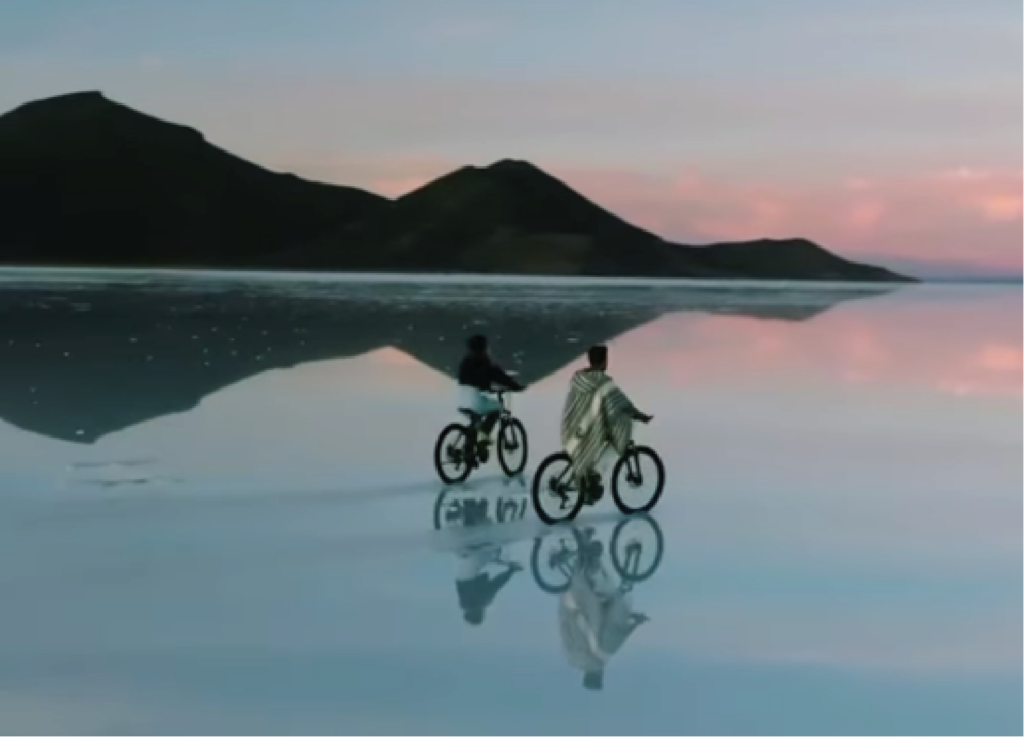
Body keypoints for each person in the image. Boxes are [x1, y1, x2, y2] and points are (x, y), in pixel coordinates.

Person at [561, 345, 651, 502]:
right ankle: (589, 479)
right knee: (610, 435)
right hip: (588, 429)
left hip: (571, 424)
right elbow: (619, 402)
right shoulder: (603, 382)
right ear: (604, 361)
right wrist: (639, 415)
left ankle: (588, 478)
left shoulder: (579, 378)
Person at [458, 335, 524, 451]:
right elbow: (496, 375)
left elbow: (471, 380)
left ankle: (469, 447)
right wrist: (514, 386)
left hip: (462, 399)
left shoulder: (466, 362)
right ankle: (483, 436)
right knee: (496, 408)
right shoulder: (483, 362)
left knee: (476, 420)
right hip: (475, 400)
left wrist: (486, 387)